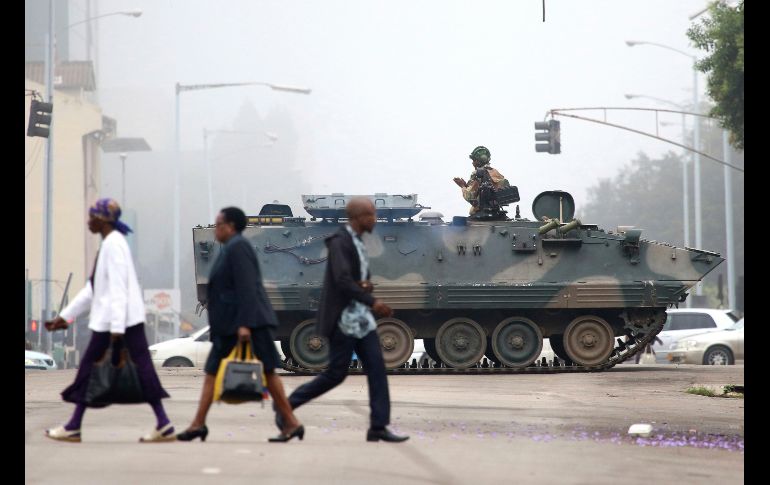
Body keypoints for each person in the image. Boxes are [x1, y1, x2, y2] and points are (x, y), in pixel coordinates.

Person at [276, 197, 409, 443]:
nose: (375, 219)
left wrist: (364, 286)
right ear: (358, 217)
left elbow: (350, 279)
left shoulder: (356, 241)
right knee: (335, 374)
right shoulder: (340, 242)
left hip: (360, 319)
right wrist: (373, 301)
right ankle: (285, 407)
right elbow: (342, 280)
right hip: (344, 319)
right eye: (371, 214)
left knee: (377, 369)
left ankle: (378, 426)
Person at [44, 198, 175, 443]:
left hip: (116, 323)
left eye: (91, 216)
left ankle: (74, 425)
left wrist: (115, 331)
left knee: (88, 368)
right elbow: (94, 289)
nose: (87, 221)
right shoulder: (110, 244)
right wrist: (65, 317)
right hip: (122, 321)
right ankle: (163, 423)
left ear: (102, 219)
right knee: (143, 368)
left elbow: (117, 289)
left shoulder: (114, 245)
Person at [177, 207, 303, 442]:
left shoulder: (239, 248)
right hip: (232, 325)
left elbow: (247, 286)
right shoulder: (230, 249)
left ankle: (291, 422)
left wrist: (245, 324)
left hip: (247, 324)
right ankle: (198, 424)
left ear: (231, 226)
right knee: (213, 372)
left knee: (264, 371)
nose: (216, 229)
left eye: (219, 224)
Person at [453, 146, 509, 216]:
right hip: (496, 213)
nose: (473, 163)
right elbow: (488, 191)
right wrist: (467, 186)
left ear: (478, 161)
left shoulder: (478, 173)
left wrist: (462, 186)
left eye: (474, 160)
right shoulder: (496, 172)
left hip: (481, 216)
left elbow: (469, 196)